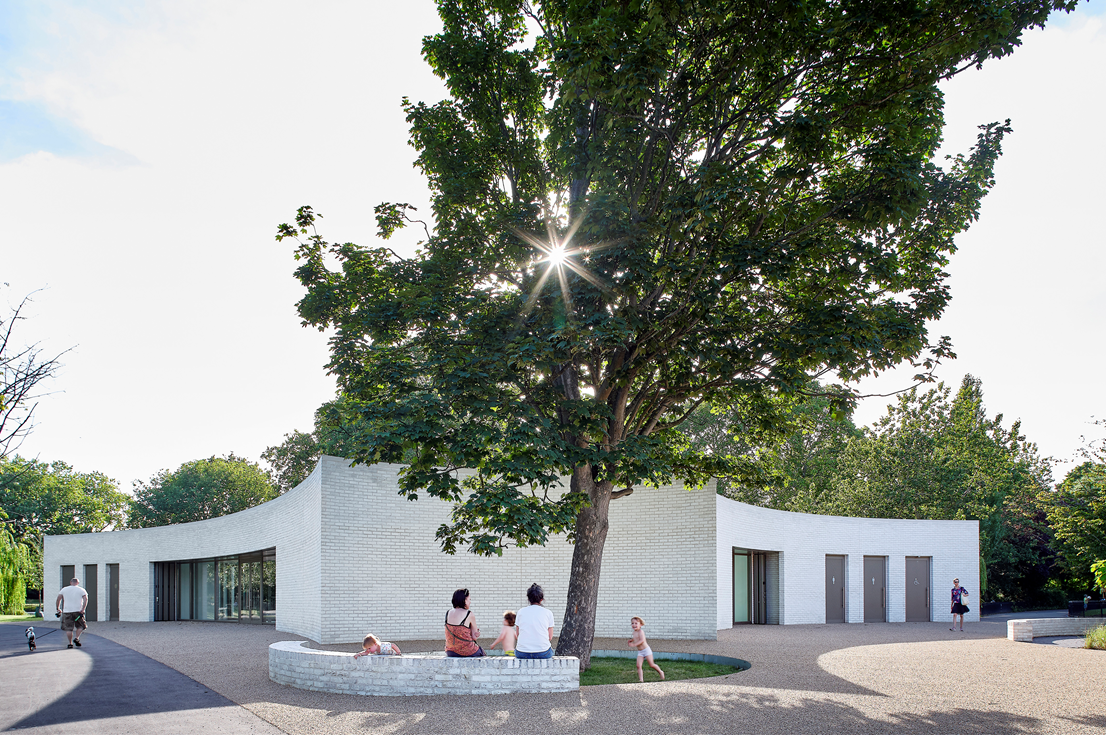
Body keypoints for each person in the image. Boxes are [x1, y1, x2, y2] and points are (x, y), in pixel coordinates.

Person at [515, 583, 554, 659]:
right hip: (543, 652)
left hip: (522, 652)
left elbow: (518, 635)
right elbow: (550, 637)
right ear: (541, 599)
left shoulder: (520, 612)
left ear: (528, 599)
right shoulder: (548, 613)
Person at [445, 588, 485, 657]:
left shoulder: (448, 613)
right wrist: (477, 634)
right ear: (464, 600)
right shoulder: (469, 614)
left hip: (450, 651)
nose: (470, 602)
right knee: (482, 654)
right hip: (467, 651)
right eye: (469, 599)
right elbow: (474, 637)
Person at [627, 616, 665, 682]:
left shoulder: (641, 632)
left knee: (651, 664)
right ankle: (641, 680)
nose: (634, 625)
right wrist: (631, 640)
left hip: (646, 650)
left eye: (636, 623)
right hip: (640, 652)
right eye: (632, 623)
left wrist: (634, 644)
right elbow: (636, 638)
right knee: (638, 665)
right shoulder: (634, 633)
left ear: (640, 624)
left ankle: (661, 672)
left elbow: (642, 640)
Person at [56, 577, 88, 649]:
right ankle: (76, 638)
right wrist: (83, 609)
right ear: (78, 583)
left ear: (70, 582)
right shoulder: (81, 590)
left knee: (69, 628)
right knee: (81, 626)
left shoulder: (64, 589)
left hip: (67, 612)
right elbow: (86, 599)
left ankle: (70, 643)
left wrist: (58, 608)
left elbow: (58, 599)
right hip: (78, 612)